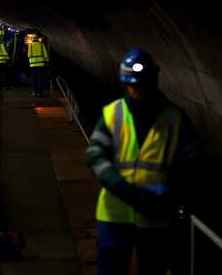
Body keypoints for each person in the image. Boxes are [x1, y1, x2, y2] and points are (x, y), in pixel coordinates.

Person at [86, 48, 200, 275]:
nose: (138, 91)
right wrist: (127, 191)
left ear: (153, 80)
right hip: (115, 214)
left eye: (142, 84)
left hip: (155, 215)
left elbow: (192, 164)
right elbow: (95, 156)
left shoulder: (174, 118)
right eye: (133, 85)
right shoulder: (113, 113)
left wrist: (171, 196)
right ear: (125, 84)